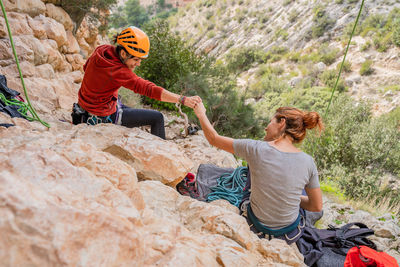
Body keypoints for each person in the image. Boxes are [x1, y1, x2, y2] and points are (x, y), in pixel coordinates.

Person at [194, 103, 323, 242]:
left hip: (254, 227)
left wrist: (200, 113)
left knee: (251, 170)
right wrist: (288, 196)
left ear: (282, 122)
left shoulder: (256, 149)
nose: (266, 127)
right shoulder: (308, 162)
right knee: (303, 192)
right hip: (288, 236)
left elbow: (214, 139)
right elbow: (316, 206)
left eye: (270, 121)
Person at [76, 26, 201, 139]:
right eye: (136, 59)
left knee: (132, 110)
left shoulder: (102, 50)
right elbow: (149, 89)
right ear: (123, 53)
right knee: (157, 118)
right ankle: (159, 154)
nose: (138, 63)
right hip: (101, 116)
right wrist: (182, 99)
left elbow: (86, 68)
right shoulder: (119, 71)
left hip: (85, 108)